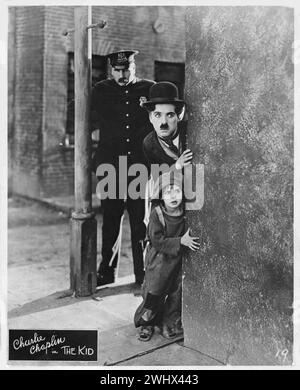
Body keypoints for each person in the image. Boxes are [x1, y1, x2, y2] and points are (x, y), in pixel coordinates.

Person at [91, 50, 155, 287]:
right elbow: (79, 114)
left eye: (126, 69)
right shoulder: (100, 90)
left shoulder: (149, 89)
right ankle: (107, 272)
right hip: (111, 167)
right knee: (110, 220)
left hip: (139, 166)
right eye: (117, 70)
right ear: (111, 70)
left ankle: (143, 272)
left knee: (141, 222)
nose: (122, 74)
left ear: (134, 68)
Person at [134, 171, 200, 341]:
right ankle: (146, 324)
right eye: (168, 192)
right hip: (158, 261)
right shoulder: (157, 213)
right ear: (161, 196)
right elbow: (157, 240)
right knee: (153, 293)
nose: (173, 196)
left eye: (177, 191)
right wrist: (180, 242)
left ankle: (169, 325)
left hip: (176, 260)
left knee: (175, 292)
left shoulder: (184, 213)